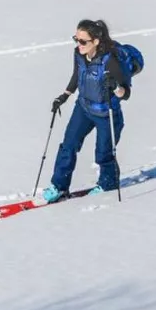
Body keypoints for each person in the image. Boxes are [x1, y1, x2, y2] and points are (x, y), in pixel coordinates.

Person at [42, 19, 130, 203]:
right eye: (76, 39)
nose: (78, 44)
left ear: (96, 41)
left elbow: (125, 93)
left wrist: (114, 86)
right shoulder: (79, 54)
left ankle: (108, 184)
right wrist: (64, 96)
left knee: (103, 153)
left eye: (83, 41)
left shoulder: (110, 61)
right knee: (68, 146)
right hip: (83, 108)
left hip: (107, 114)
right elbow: (77, 75)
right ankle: (59, 187)